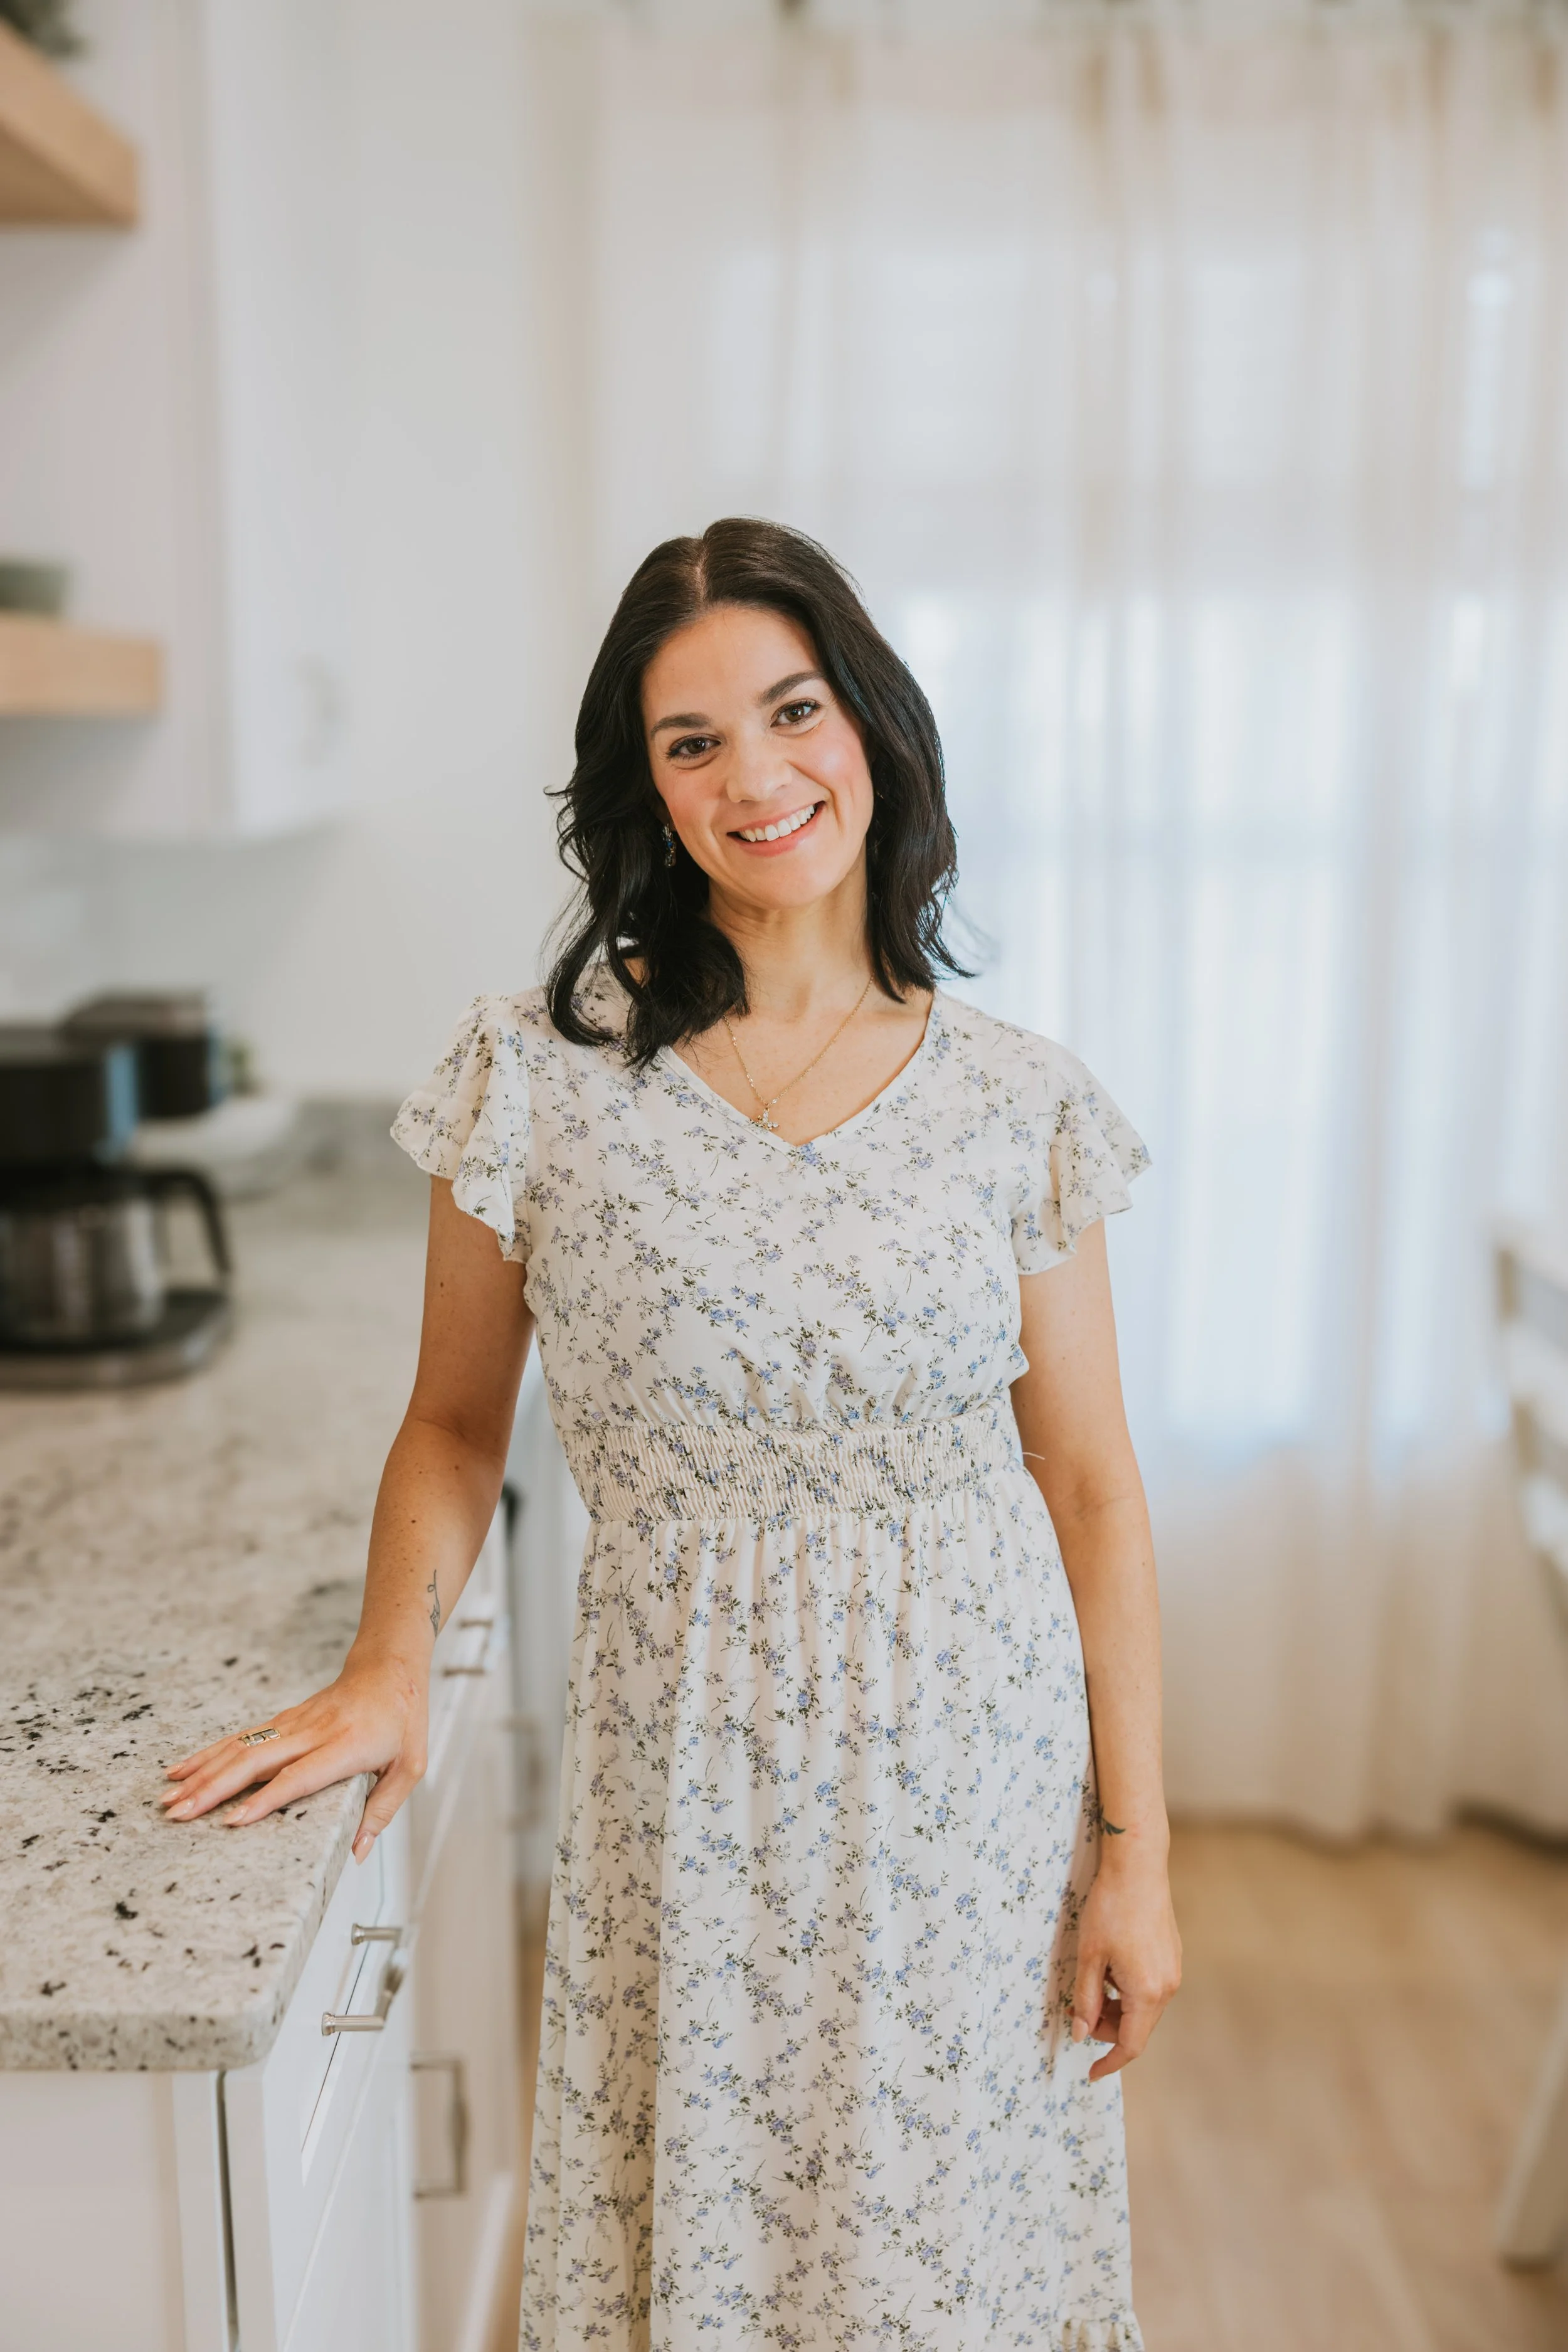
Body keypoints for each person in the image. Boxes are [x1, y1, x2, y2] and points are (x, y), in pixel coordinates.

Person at [164, 517, 1180, 2351]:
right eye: (689, 740)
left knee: (947, 2272)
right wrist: (389, 1660)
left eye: (792, 711)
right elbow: (455, 1422)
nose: (757, 776)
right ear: (644, 791)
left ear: (871, 724)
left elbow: (1092, 1488)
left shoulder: (1016, 1103)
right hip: (686, 1805)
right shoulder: (536, 1080)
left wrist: (1136, 1848)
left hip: (973, 1803)